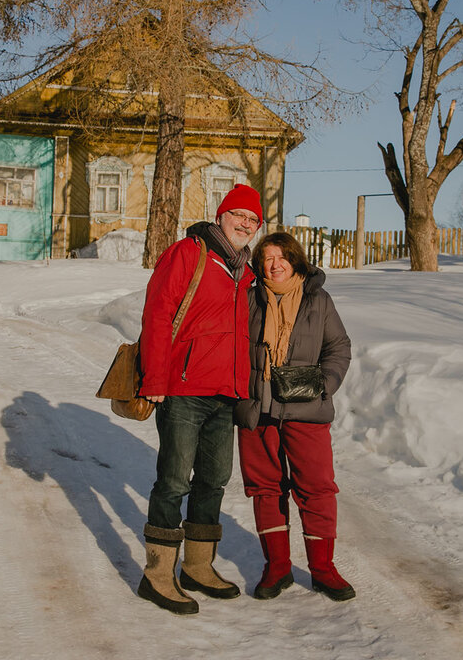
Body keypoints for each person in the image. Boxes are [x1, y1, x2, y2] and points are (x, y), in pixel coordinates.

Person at [136, 183, 263, 615]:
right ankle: (156, 575)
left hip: (225, 393)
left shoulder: (245, 272)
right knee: (173, 481)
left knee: (213, 480)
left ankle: (197, 566)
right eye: (239, 215)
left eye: (253, 220)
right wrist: (154, 377)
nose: (246, 223)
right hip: (183, 388)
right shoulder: (189, 253)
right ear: (222, 215)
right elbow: (157, 313)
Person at [235, 231, 354, 601]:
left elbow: (339, 347)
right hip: (258, 408)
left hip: (307, 409)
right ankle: (277, 567)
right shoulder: (248, 299)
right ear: (259, 264)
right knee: (265, 488)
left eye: (282, 257)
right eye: (267, 258)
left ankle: (323, 569)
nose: (275, 264)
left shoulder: (318, 300)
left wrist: (323, 385)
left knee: (316, 488)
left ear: (295, 259)